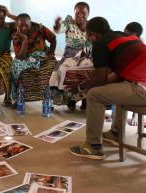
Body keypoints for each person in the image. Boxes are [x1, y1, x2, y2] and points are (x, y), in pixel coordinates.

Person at [69, 17, 146, 160]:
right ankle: (115, 134)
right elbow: (118, 76)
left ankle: (93, 147)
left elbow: (101, 78)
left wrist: (80, 87)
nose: (89, 40)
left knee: (93, 95)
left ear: (94, 35)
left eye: (88, 36)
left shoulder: (100, 44)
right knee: (112, 89)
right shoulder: (126, 37)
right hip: (139, 84)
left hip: (141, 88)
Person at [103, 22, 145, 145]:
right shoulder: (141, 45)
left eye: (126, 33)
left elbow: (122, 73)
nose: (124, 36)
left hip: (139, 88)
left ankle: (116, 132)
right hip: (141, 85)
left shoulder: (132, 48)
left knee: (117, 93)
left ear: (133, 34)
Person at [52, 2, 92, 111]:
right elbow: (58, 29)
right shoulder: (69, 22)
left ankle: (85, 100)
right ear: (74, 13)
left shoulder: (91, 26)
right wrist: (57, 24)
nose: (80, 15)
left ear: (88, 14)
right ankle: (71, 99)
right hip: (70, 55)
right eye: (77, 13)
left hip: (86, 55)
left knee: (87, 70)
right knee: (63, 70)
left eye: (83, 13)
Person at [11, 13, 56, 103]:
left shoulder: (40, 29)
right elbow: (21, 56)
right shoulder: (16, 36)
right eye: (21, 26)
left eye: (26, 25)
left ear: (30, 23)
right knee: (15, 64)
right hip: (27, 58)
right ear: (17, 26)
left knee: (49, 64)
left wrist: (51, 53)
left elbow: (53, 39)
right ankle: (19, 95)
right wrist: (25, 39)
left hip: (42, 57)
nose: (23, 28)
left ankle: (45, 95)